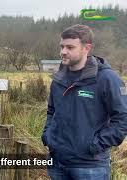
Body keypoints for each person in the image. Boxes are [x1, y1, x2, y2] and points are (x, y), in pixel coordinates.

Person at [42, 24, 127, 179]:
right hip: (57, 164)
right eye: (62, 46)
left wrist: (95, 145)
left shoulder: (107, 79)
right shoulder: (59, 78)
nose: (63, 52)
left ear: (86, 48)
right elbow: (51, 111)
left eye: (70, 47)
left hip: (89, 168)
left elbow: (123, 118)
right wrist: (48, 136)